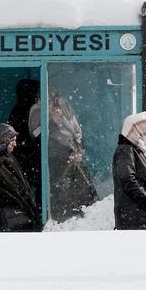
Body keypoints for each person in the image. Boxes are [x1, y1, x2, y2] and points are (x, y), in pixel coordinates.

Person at [29, 89, 98, 222]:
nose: (52, 103)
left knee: (83, 186)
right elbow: (37, 135)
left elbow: (75, 129)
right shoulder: (37, 111)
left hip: (71, 153)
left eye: (53, 99)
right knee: (59, 190)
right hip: (53, 157)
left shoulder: (63, 106)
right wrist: (52, 121)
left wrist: (78, 149)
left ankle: (86, 214)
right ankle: (61, 218)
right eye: (48, 100)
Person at [0, 123, 42, 233]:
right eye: (12, 141)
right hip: (0, 220)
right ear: (2, 141)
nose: (15, 144)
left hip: (16, 216)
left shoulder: (8, 157)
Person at [112, 111, 146, 230]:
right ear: (136, 132)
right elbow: (127, 179)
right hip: (135, 215)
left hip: (141, 213)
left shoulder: (138, 150)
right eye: (145, 132)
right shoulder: (125, 150)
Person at [7, 78, 41, 199]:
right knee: (37, 184)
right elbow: (32, 132)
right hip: (29, 154)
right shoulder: (28, 110)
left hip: (23, 154)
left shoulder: (18, 109)